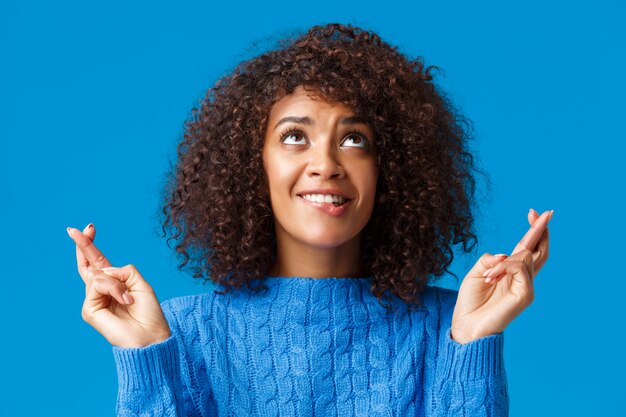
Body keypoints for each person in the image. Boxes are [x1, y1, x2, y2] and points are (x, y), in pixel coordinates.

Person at [67, 23, 552, 416]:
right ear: (250, 164)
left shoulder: (448, 326)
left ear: (393, 168)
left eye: (354, 139)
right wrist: (146, 355)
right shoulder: (183, 332)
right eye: (295, 137)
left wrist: (474, 343)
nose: (326, 164)